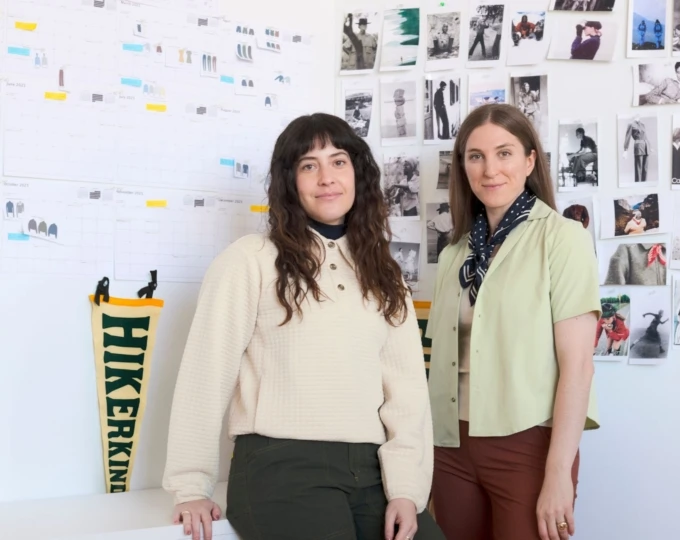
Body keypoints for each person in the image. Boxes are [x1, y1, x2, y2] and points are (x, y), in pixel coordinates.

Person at [162, 113, 445, 540]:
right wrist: (190, 485)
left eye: (338, 161)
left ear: (358, 173)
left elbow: (407, 394)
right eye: (309, 165)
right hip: (281, 467)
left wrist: (407, 489)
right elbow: (206, 373)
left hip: (373, 473)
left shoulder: (384, 273)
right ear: (290, 181)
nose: (326, 177)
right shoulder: (249, 260)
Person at [426, 104, 601, 540]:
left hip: (528, 445)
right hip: (449, 446)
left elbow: (578, 366)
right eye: (475, 156)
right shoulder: (454, 253)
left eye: (504, 153)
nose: (490, 169)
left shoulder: (562, 238)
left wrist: (559, 472)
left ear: (529, 161)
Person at [623, 117, 650, 183]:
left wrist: (650, 147)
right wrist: (625, 150)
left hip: (646, 147)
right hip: (638, 147)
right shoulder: (631, 124)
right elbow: (628, 137)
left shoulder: (643, 124)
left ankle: (644, 184)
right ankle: (638, 185)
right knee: (638, 168)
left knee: (645, 168)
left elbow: (645, 137)